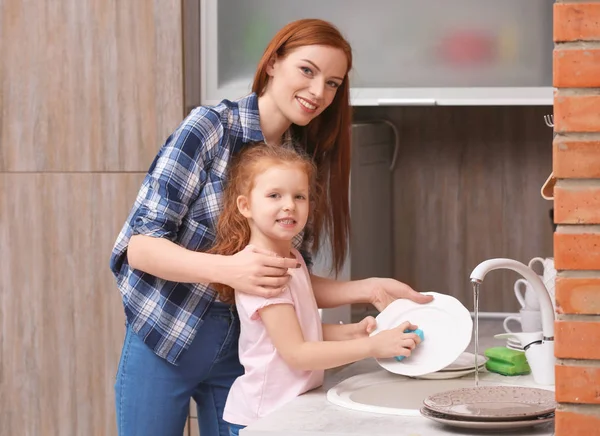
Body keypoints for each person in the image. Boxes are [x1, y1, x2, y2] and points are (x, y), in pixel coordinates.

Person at [109, 18, 433, 436]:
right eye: (307, 71)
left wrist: (369, 289)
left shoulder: (299, 161)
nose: (319, 92)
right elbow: (140, 247)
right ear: (274, 62)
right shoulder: (209, 128)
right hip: (166, 334)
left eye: (333, 83)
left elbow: (286, 277)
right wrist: (228, 270)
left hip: (240, 354)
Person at [208, 143, 423, 436]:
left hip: (288, 411)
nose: (289, 205)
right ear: (245, 206)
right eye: (274, 195)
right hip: (263, 419)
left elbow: (303, 331)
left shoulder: (291, 259)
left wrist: (355, 332)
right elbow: (297, 352)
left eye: (300, 196)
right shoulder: (263, 272)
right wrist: (372, 347)